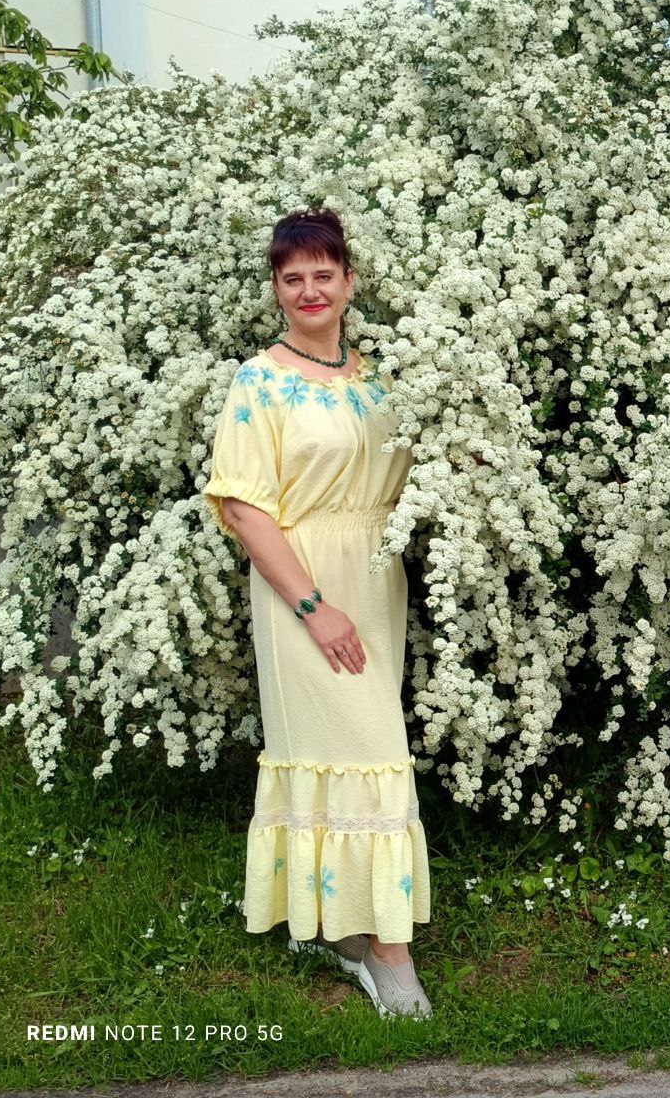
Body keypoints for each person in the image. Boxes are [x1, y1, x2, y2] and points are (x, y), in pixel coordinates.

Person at [203, 208, 432, 1019]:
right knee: (368, 750)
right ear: (275, 288)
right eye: (292, 277)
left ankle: (330, 921)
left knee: (357, 749)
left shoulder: (379, 374)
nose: (309, 289)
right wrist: (312, 606)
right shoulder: (257, 380)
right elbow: (243, 508)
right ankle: (389, 955)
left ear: (348, 282)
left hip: (376, 580)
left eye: (322, 275)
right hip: (303, 586)